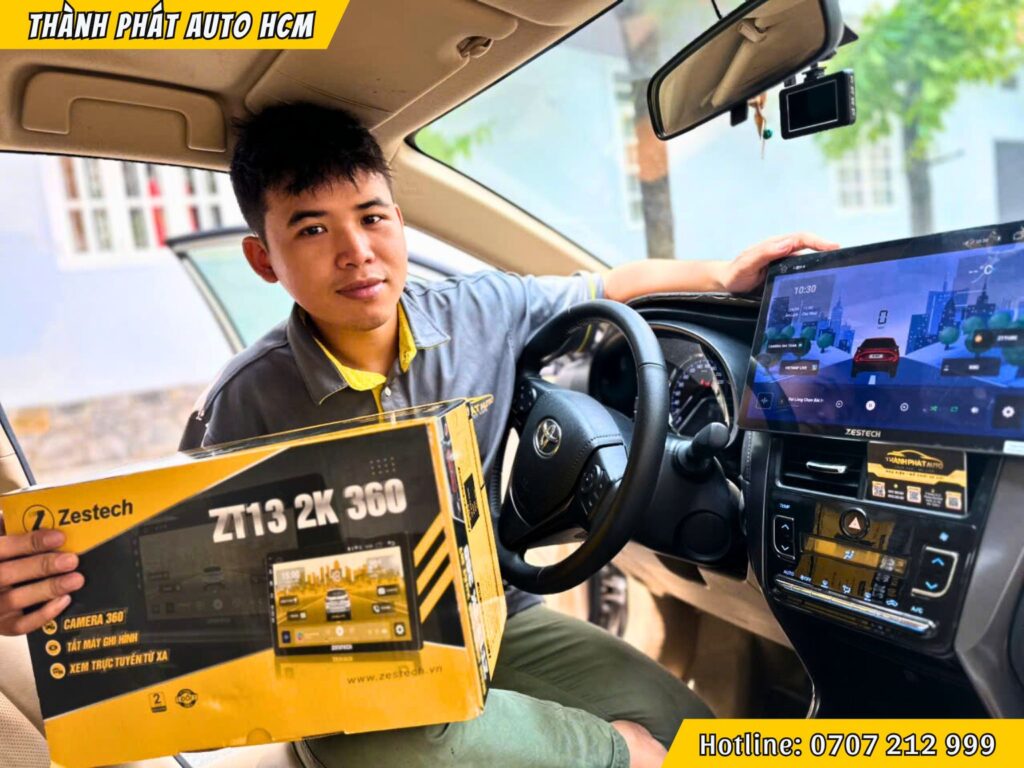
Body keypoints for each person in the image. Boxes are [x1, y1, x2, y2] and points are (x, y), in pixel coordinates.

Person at [0, 102, 838, 767]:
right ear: (264, 260)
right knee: (397, 747)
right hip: (341, 664)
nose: (356, 252)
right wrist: (50, 595)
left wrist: (719, 274)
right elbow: (175, 567)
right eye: (313, 230)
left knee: (691, 734)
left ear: (398, 221)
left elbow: (605, 284)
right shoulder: (245, 403)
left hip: (499, 620)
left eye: (372, 218)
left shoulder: (481, 310)